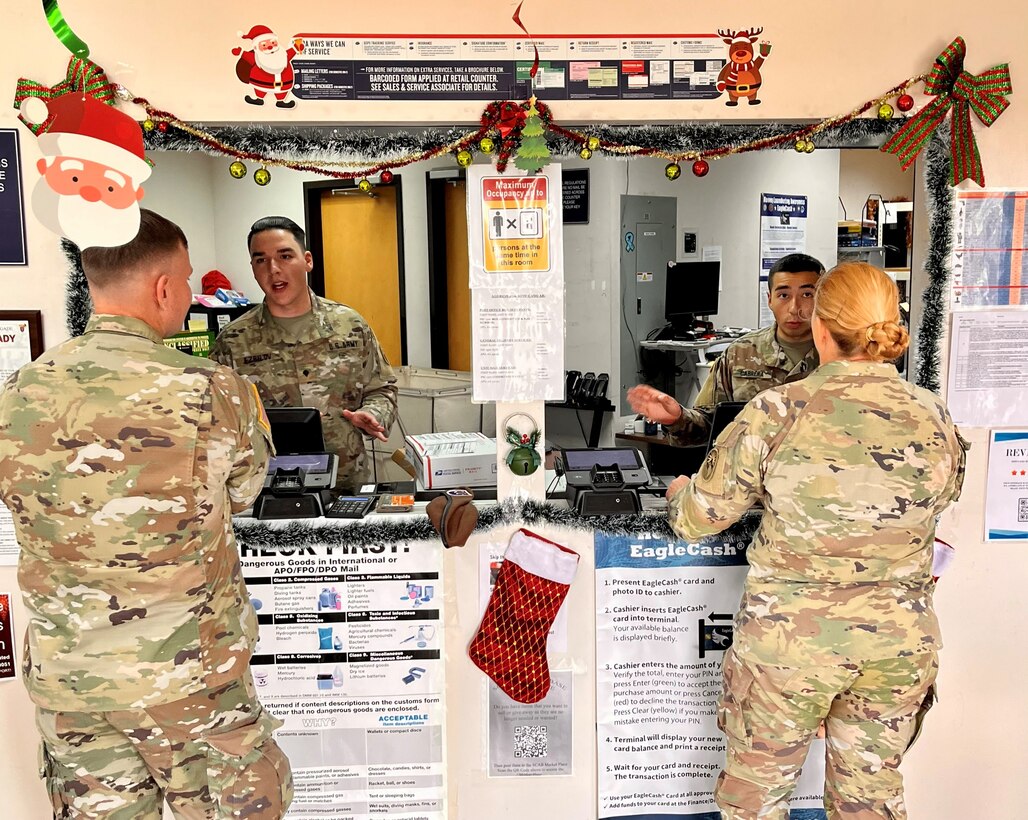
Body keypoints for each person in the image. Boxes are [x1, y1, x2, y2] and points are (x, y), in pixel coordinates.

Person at [0, 210, 292, 817]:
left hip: (74, 685)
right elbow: (243, 492)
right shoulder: (215, 390)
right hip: (190, 682)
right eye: (186, 280)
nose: (189, 294)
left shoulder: (17, 391)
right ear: (163, 287)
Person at [666, 262, 967, 819]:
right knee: (870, 803)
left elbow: (698, 518)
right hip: (896, 645)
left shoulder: (778, 411)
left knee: (757, 802)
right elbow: (941, 498)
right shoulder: (934, 414)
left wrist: (681, 492)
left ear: (823, 328)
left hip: (790, 646)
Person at [210, 216, 398, 492]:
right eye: (260, 260)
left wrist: (373, 414)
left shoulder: (349, 326)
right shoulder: (234, 341)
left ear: (307, 260)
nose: (273, 269)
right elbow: (218, 418)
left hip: (345, 484)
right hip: (266, 490)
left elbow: (382, 388)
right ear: (252, 268)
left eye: (285, 256)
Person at [628, 253, 825, 444]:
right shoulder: (740, 353)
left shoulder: (843, 353)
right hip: (747, 474)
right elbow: (708, 424)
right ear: (769, 300)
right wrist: (677, 418)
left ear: (823, 298)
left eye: (807, 294)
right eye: (783, 295)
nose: (794, 307)